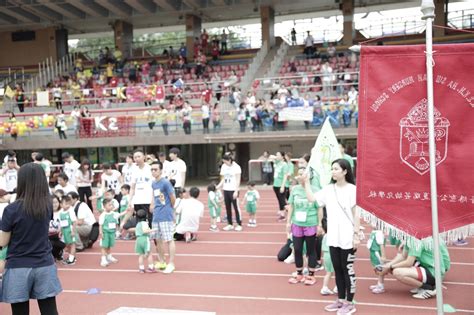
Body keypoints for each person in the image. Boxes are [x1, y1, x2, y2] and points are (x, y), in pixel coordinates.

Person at [0, 163, 62, 314]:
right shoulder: (47, 205)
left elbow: (2, 242)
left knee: (20, 311)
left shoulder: (11, 209)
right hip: (44, 263)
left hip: (18, 266)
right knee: (49, 310)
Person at [304, 159, 359, 314]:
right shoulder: (328, 189)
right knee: (337, 269)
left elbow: (356, 215)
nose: (333, 171)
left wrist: (356, 236)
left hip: (348, 236)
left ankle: (350, 303)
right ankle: (341, 299)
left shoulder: (352, 190)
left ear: (345, 171)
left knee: (347, 269)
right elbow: (312, 199)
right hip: (333, 236)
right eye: (332, 169)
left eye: (336, 169)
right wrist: (306, 183)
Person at [378, 239, 450, 300]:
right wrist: (386, 266)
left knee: (397, 272)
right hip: (428, 267)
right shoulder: (410, 238)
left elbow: (409, 262)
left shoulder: (416, 240)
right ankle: (424, 285)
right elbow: (403, 256)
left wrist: (390, 267)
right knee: (394, 268)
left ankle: (428, 288)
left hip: (434, 271)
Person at [286, 167, 319, 286]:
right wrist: (288, 222)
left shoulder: (315, 190)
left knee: (311, 250)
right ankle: (299, 273)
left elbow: (319, 208)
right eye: (299, 174)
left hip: (310, 223)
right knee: (298, 249)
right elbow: (291, 206)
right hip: (297, 224)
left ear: (309, 176)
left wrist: (320, 224)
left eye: (303, 174)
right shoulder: (294, 189)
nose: (300, 176)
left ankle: (310, 275)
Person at [149, 161, 176, 273]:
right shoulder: (153, 183)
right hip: (156, 215)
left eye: (155, 169)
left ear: (161, 170)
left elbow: (172, 197)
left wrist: (169, 209)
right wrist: (152, 204)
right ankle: (162, 261)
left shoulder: (165, 183)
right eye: (152, 169)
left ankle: (171, 263)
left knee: (169, 239)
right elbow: (155, 196)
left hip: (165, 214)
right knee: (158, 239)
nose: (153, 171)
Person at [99, 198, 129, 267]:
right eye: (109, 205)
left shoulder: (114, 214)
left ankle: (109, 256)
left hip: (112, 233)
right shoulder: (103, 215)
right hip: (105, 233)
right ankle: (103, 259)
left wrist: (126, 211)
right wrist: (101, 233)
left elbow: (120, 214)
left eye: (112, 205)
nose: (111, 206)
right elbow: (100, 225)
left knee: (109, 245)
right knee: (104, 246)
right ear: (104, 206)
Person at [217, 153, 242, 231]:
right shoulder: (224, 167)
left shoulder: (237, 167)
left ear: (230, 160)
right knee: (227, 207)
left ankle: (239, 224)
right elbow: (223, 178)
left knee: (236, 207)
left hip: (233, 189)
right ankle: (230, 224)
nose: (224, 163)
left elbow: (238, 180)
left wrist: (236, 191)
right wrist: (218, 186)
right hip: (226, 189)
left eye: (225, 161)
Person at [58, 195, 77, 265]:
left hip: (70, 230)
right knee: (67, 245)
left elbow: (74, 222)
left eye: (68, 203)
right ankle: (72, 257)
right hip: (65, 231)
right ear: (61, 204)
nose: (67, 205)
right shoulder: (60, 213)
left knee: (72, 244)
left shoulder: (70, 211)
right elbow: (61, 223)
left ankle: (71, 259)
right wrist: (61, 231)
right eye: (65, 204)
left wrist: (73, 231)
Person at [367, 229, 387, 294]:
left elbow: (381, 245)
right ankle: (379, 284)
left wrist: (383, 256)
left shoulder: (379, 233)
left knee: (380, 269)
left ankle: (381, 286)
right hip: (373, 252)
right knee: (377, 268)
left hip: (377, 253)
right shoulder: (374, 231)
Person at [272, 152, 289, 221]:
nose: (276, 156)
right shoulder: (277, 163)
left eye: (278, 155)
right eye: (276, 155)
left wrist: (283, 186)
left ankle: (290, 212)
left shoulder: (284, 165)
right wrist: (275, 157)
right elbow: (271, 157)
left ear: (282, 157)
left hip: (281, 185)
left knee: (283, 201)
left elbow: (285, 175)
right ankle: (282, 213)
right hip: (275, 184)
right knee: (279, 200)